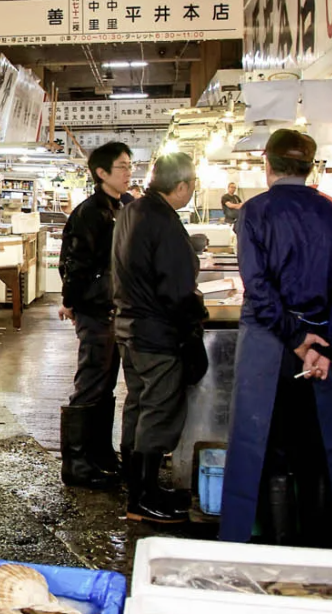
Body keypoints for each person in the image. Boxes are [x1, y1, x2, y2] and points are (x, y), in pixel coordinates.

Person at [220, 129, 332, 548]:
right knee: (318, 449)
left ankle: (275, 544)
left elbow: (258, 287)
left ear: (269, 164)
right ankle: (324, 548)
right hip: (319, 347)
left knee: (266, 449)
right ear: (310, 167)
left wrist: (295, 339)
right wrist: (324, 344)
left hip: (270, 344)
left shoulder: (255, 212)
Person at [112, 152, 204, 523]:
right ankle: (143, 497)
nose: (192, 190)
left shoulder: (133, 210)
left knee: (139, 404)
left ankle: (139, 487)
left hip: (129, 327)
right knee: (159, 410)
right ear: (181, 186)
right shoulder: (161, 221)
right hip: (156, 332)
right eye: (192, 185)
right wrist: (194, 321)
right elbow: (176, 289)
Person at [56, 140, 133, 489]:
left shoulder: (124, 207)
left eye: (130, 165)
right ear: (102, 173)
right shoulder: (90, 212)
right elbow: (74, 263)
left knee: (106, 383)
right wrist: (71, 301)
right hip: (96, 311)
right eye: (122, 166)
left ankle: (101, 453)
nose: (129, 172)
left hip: (115, 310)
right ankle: (76, 463)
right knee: (91, 383)